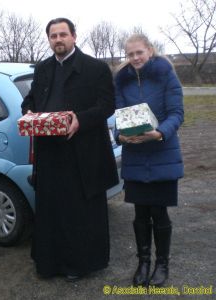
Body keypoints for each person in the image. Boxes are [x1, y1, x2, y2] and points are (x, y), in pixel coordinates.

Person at [21, 17, 119, 281]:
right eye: (53, 36)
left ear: (74, 36)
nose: (58, 40)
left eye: (63, 34)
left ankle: (80, 264)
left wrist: (81, 118)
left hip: (82, 152)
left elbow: (107, 104)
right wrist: (28, 112)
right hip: (49, 153)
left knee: (79, 212)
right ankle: (49, 264)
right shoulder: (42, 69)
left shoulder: (95, 68)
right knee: (52, 210)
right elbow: (31, 98)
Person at [114, 33, 184, 287]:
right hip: (135, 155)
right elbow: (119, 117)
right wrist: (120, 136)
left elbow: (177, 114)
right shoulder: (121, 81)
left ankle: (161, 264)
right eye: (130, 54)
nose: (134, 58)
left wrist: (160, 133)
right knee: (140, 213)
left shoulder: (166, 75)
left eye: (139, 53)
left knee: (159, 212)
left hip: (162, 153)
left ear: (150, 50)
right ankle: (143, 262)